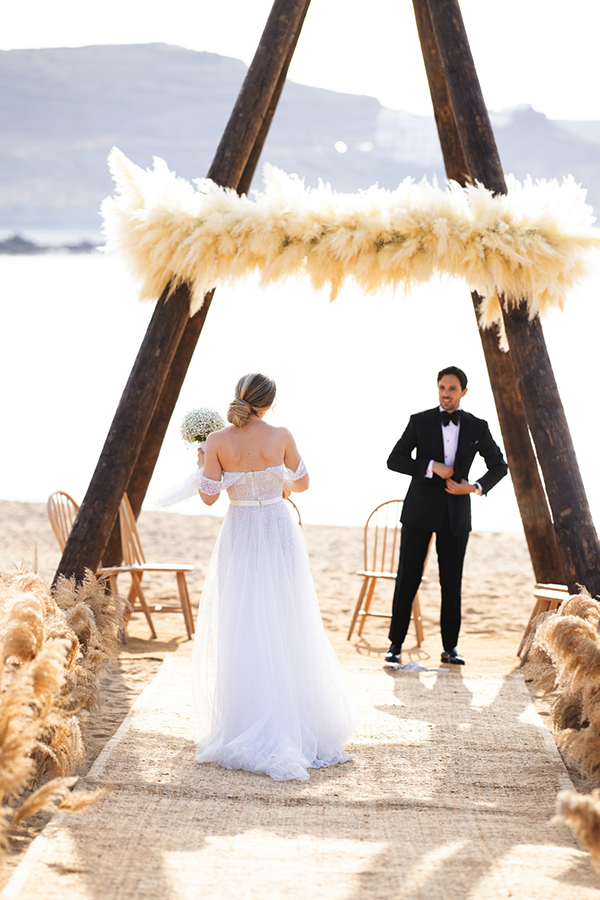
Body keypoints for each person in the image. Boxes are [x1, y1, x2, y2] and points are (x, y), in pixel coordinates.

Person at [191, 373, 354, 781]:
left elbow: (209, 495)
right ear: (271, 401)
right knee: (286, 614)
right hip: (277, 528)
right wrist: (277, 481)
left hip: (241, 530)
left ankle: (246, 716)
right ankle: (295, 718)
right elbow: (302, 482)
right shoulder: (281, 435)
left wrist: (203, 464)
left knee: (243, 619)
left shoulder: (217, 441)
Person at [385, 366, 508, 667]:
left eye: (452, 388)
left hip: (456, 515)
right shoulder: (420, 421)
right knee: (408, 577)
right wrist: (430, 466)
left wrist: (474, 487)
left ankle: (450, 648)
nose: (446, 393)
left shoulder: (478, 427)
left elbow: (499, 466)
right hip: (418, 512)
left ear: (463, 392)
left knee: (451, 582)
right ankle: (395, 645)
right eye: (442, 387)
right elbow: (395, 459)